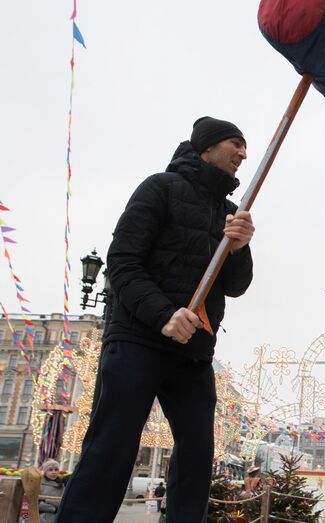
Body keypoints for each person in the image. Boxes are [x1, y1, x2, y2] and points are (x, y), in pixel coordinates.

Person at [57, 116, 255, 522]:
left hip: (194, 350)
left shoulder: (230, 211)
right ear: (207, 146)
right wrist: (164, 314)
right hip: (137, 339)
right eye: (235, 143)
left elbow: (235, 286)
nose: (243, 154)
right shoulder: (159, 188)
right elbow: (123, 263)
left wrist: (239, 247)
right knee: (112, 446)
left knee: (198, 453)